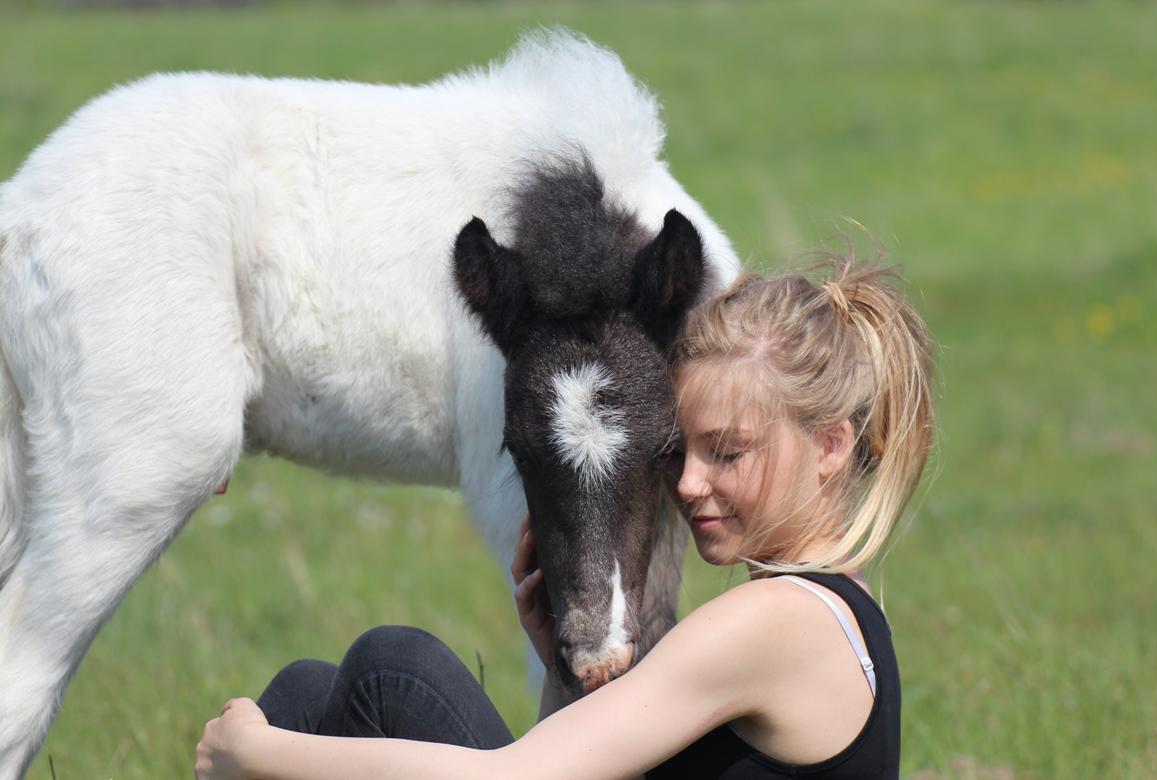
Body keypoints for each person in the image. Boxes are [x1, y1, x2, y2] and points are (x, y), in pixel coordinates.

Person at [195, 257, 935, 780]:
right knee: (337, 686)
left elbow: (518, 779)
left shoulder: (775, 619)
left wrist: (257, 755)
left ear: (831, 446)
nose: (689, 482)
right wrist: (571, 674)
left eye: (729, 453)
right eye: (683, 451)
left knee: (377, 681)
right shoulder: (842, 608)